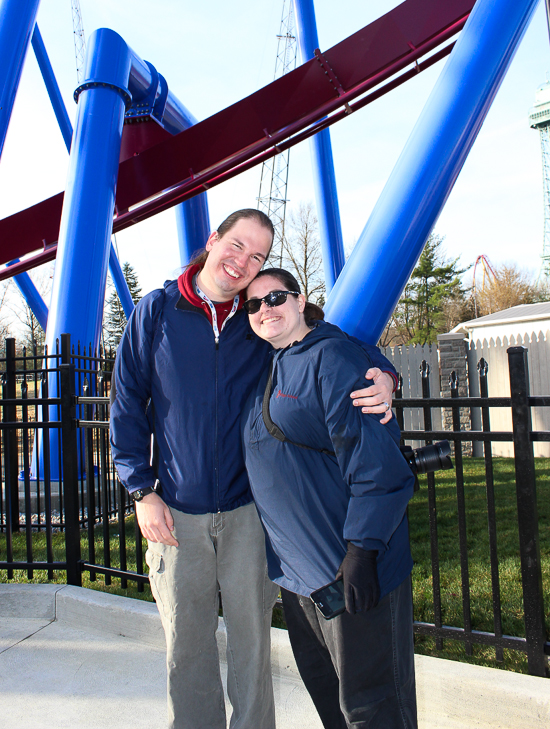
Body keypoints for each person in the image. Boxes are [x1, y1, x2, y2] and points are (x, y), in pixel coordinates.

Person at [109, 210, 398, 729]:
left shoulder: (258, 319)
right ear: (213, 240)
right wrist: (140, 490)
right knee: (187, 651)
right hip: (175, 514)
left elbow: (330, 340)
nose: (243, 262)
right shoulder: (156, 312)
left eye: (259, 256)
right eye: (237, 246)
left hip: (247, 514)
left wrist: (387, 374)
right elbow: (127, 402)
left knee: (252, 648)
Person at [242, 268, 417, 729]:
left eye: (275, 297)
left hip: (352, 571)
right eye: (254, 304)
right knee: (332, 702)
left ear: (301, 301)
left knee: (373, 708)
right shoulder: (270, 361)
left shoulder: (333, 357)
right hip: (301, 581)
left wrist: (362, 550)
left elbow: (378, 466)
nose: (266, 309)